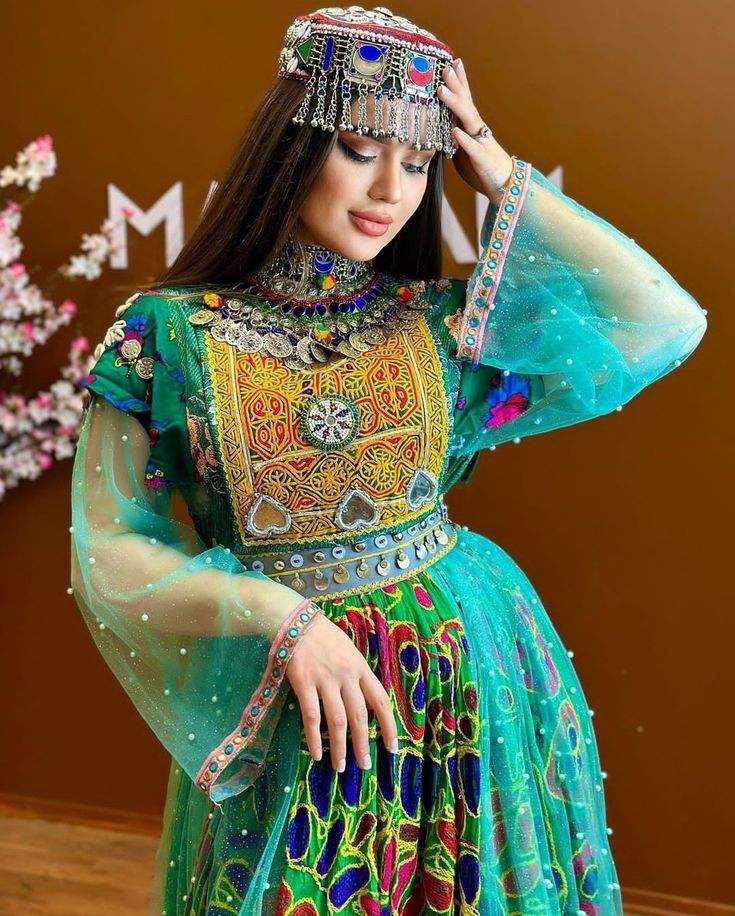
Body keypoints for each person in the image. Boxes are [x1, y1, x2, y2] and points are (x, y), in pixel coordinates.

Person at [69, 6, 707, 915]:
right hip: (301, 703)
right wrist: (280, 615)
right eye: (362, 149)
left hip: (466, 674)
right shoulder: (165, 336)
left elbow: (663, 322)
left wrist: (495, 168)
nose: (391, 190)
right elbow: (110, 549)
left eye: (417, 163)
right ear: (292, 148)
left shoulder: (443, 329)